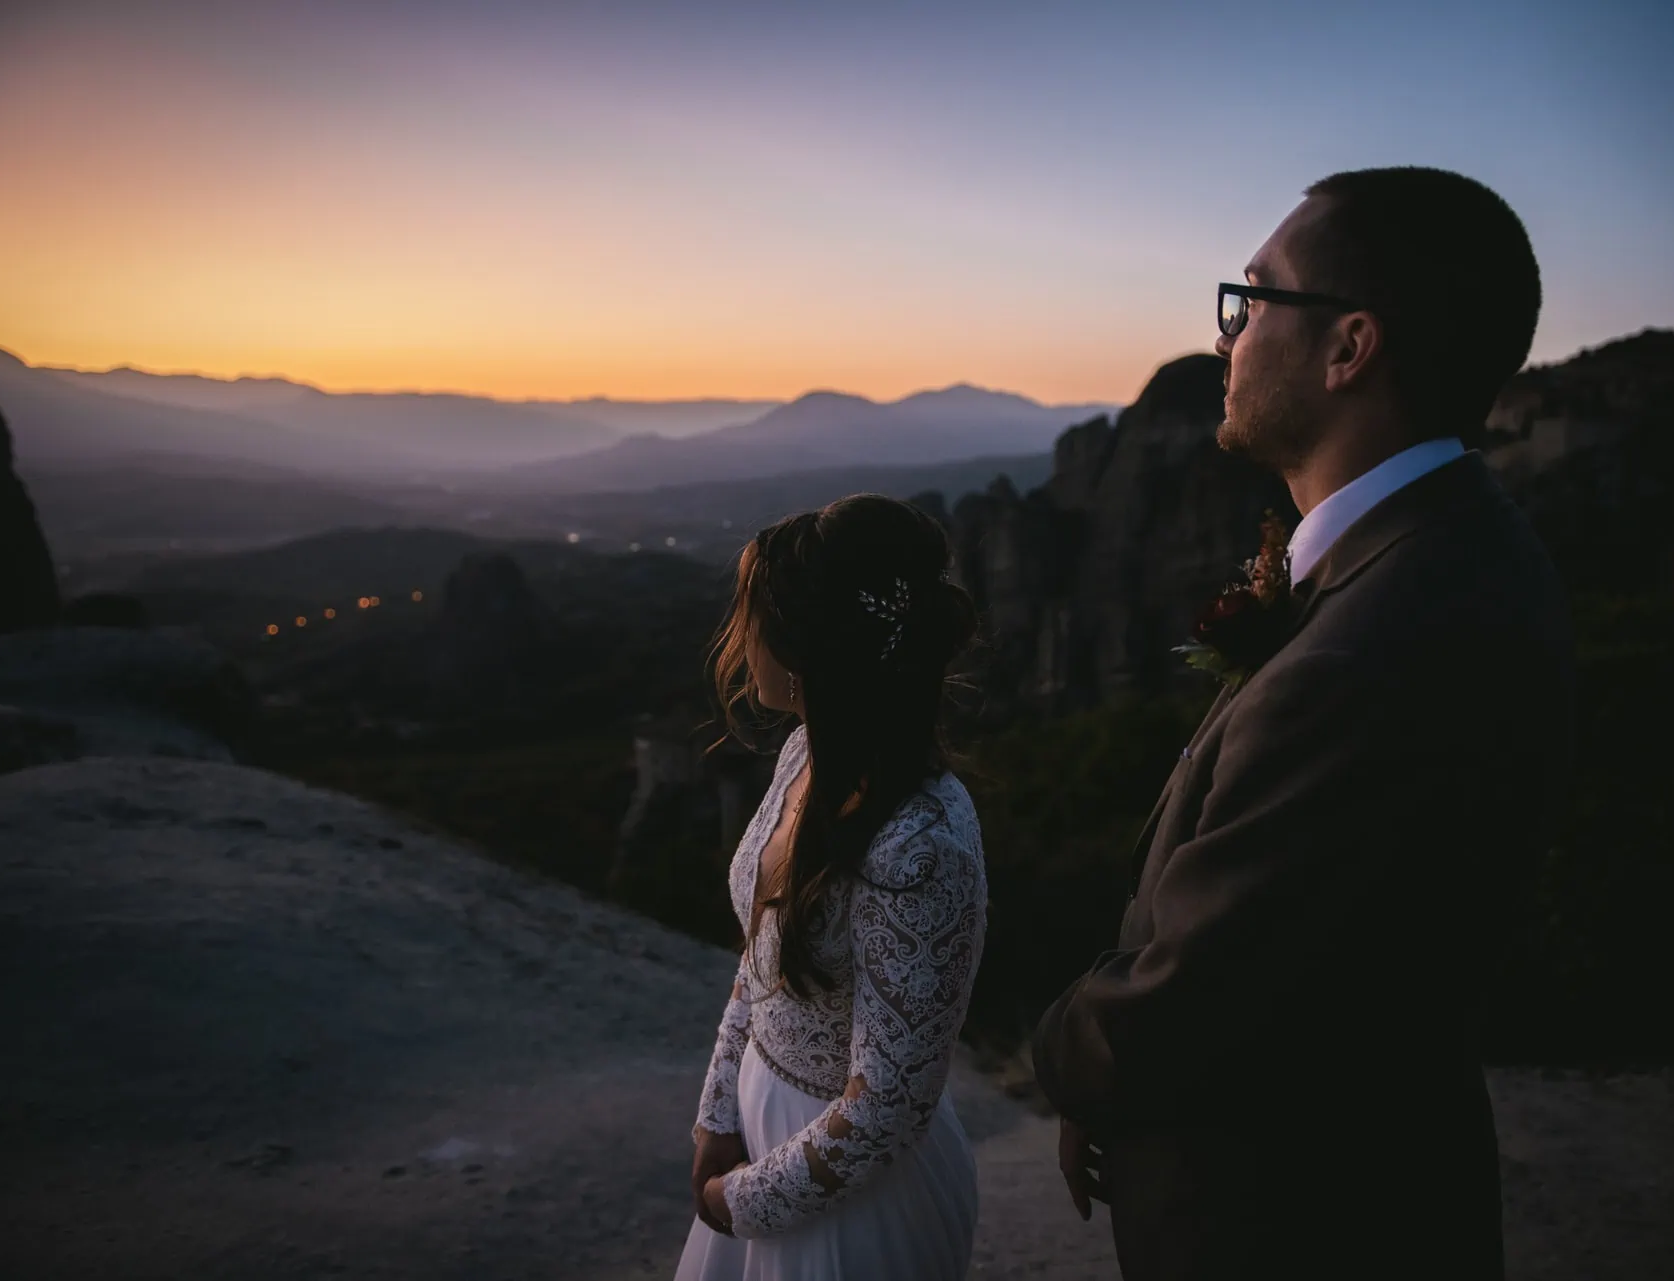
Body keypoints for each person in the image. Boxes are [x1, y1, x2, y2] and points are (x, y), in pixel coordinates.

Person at [1031, 166, 1576, 1280]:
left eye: (1254, 299)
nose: (1228, 336)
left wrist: (1072, 1064)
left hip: (1292, 1223)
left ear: (1349, 347)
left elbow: (1208, 990)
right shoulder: (1431, 556)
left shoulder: (1379, 640)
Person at [674, 493, 988, 1280]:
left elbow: (888, 1106)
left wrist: (738, 1202)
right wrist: (719, 1111)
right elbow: (763, 952)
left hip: (857, 1189)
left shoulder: (920, 843)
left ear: (812, 646)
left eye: (757, 618)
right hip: (760, 1125)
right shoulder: (804, 755)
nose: (742, 639)